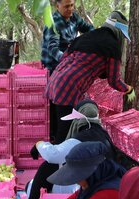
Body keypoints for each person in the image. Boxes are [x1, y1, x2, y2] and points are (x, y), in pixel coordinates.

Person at [45, 11, 134, 145]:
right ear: (118, 31)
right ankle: (56, 164)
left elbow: (64, 58)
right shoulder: (112, 46)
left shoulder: (86, 36)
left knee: (53, 129)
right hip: (68, 89)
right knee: (64, 134)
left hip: (54, 81)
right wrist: (128, 89)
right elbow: (114, 80)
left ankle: (50, 158)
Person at [22, 99, 115, 199]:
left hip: (86, 190)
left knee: (48, 168)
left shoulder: (81, 139)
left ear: (78, 120)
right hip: (102, 187)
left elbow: (53, 155)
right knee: (35, 183)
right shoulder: (103, 135)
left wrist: (39, 144)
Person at [41, 0, 94, 140]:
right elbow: (52, 48)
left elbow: (89, 29)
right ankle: (55, 138)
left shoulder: (74, 17)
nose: (70, 9)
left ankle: (64, 135)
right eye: (66, 6)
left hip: (68, 69)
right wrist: (68, 60)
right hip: (53, 69)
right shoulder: (52, 22)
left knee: (68, 106)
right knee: (57, 108)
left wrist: (96, 38)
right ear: (57, 6)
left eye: (72, 5)